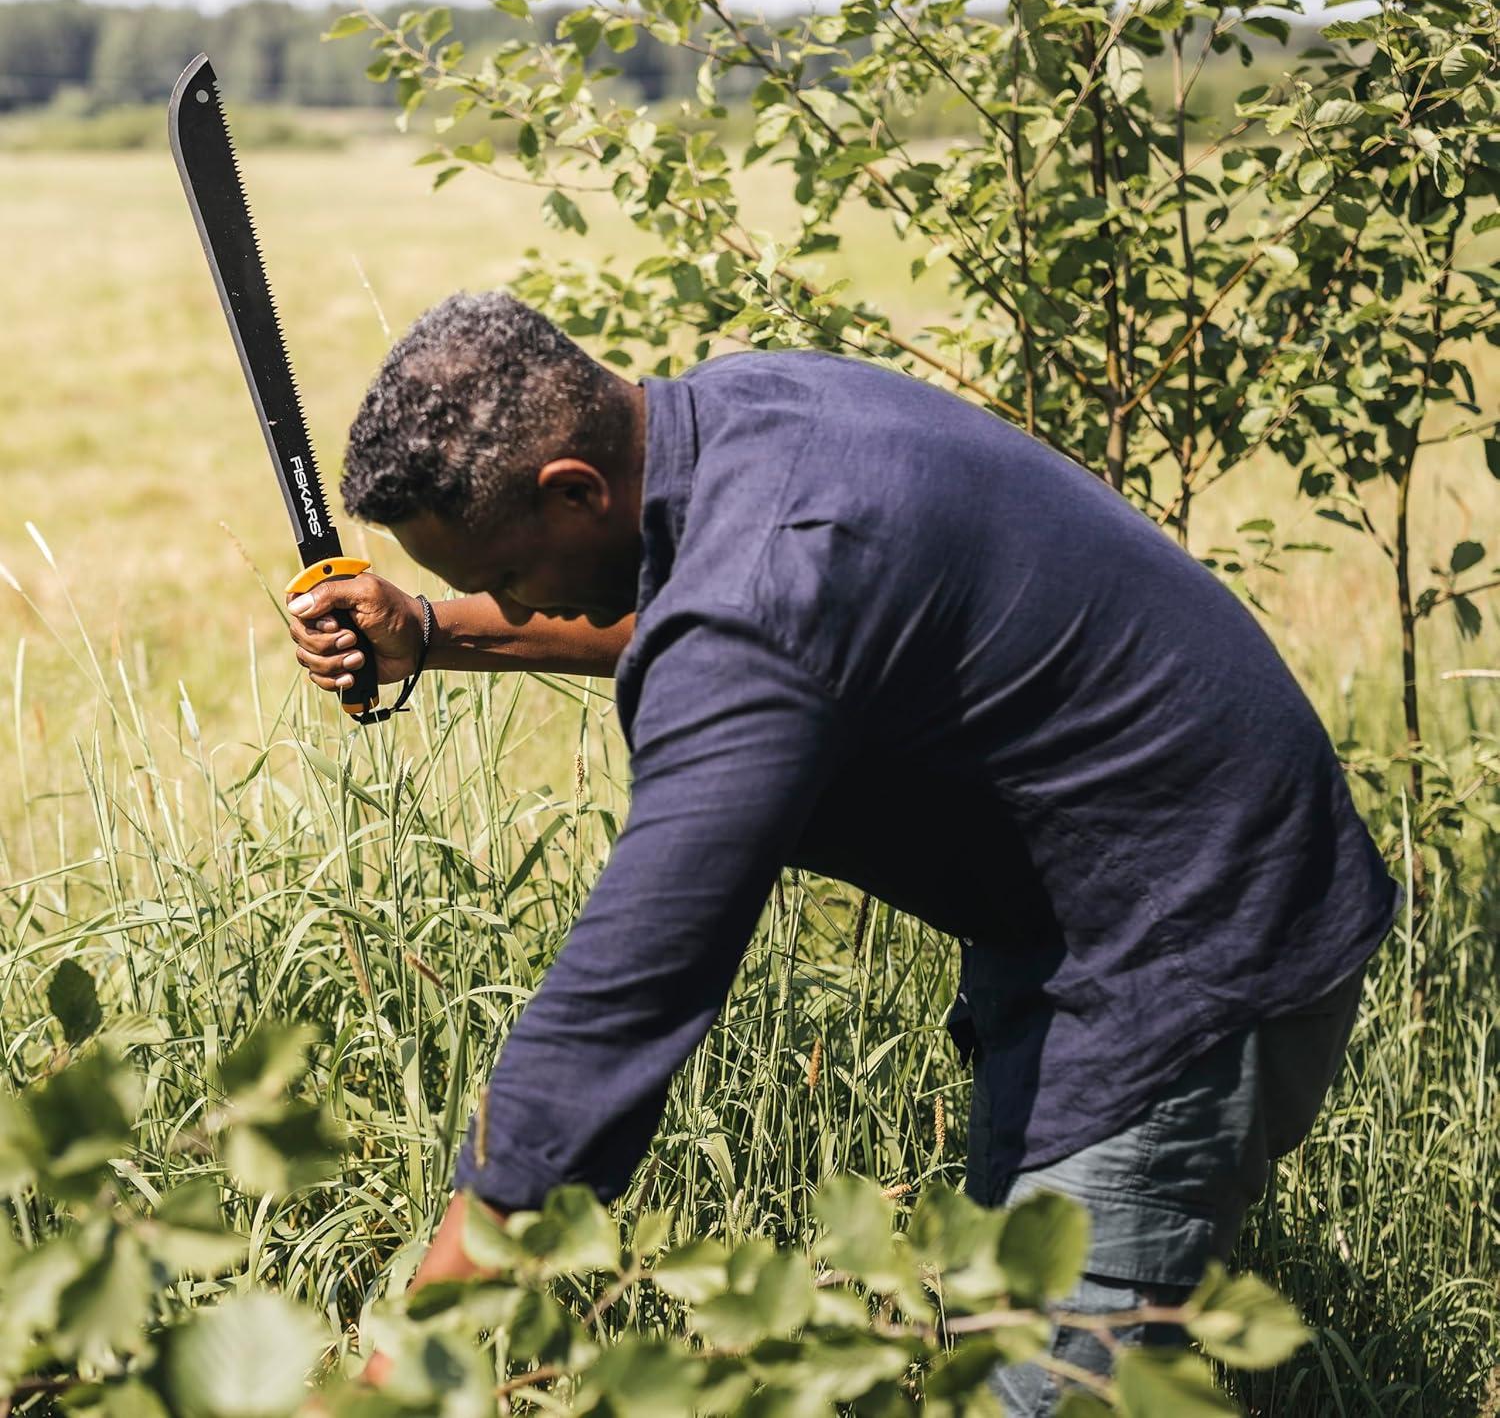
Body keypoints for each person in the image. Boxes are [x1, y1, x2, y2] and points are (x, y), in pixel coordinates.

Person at [286, 291, 1397, 1412]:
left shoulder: (765, 584)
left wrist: (399, 1375)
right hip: (1085, 904)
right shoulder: (738, 412)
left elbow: (615, 1012)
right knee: (1002, 1336)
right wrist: (429, 633)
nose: (498, 601)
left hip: (1199, 932)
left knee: (1043, 1391)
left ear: (576, 488)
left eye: (502, 579)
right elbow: (715, 608)